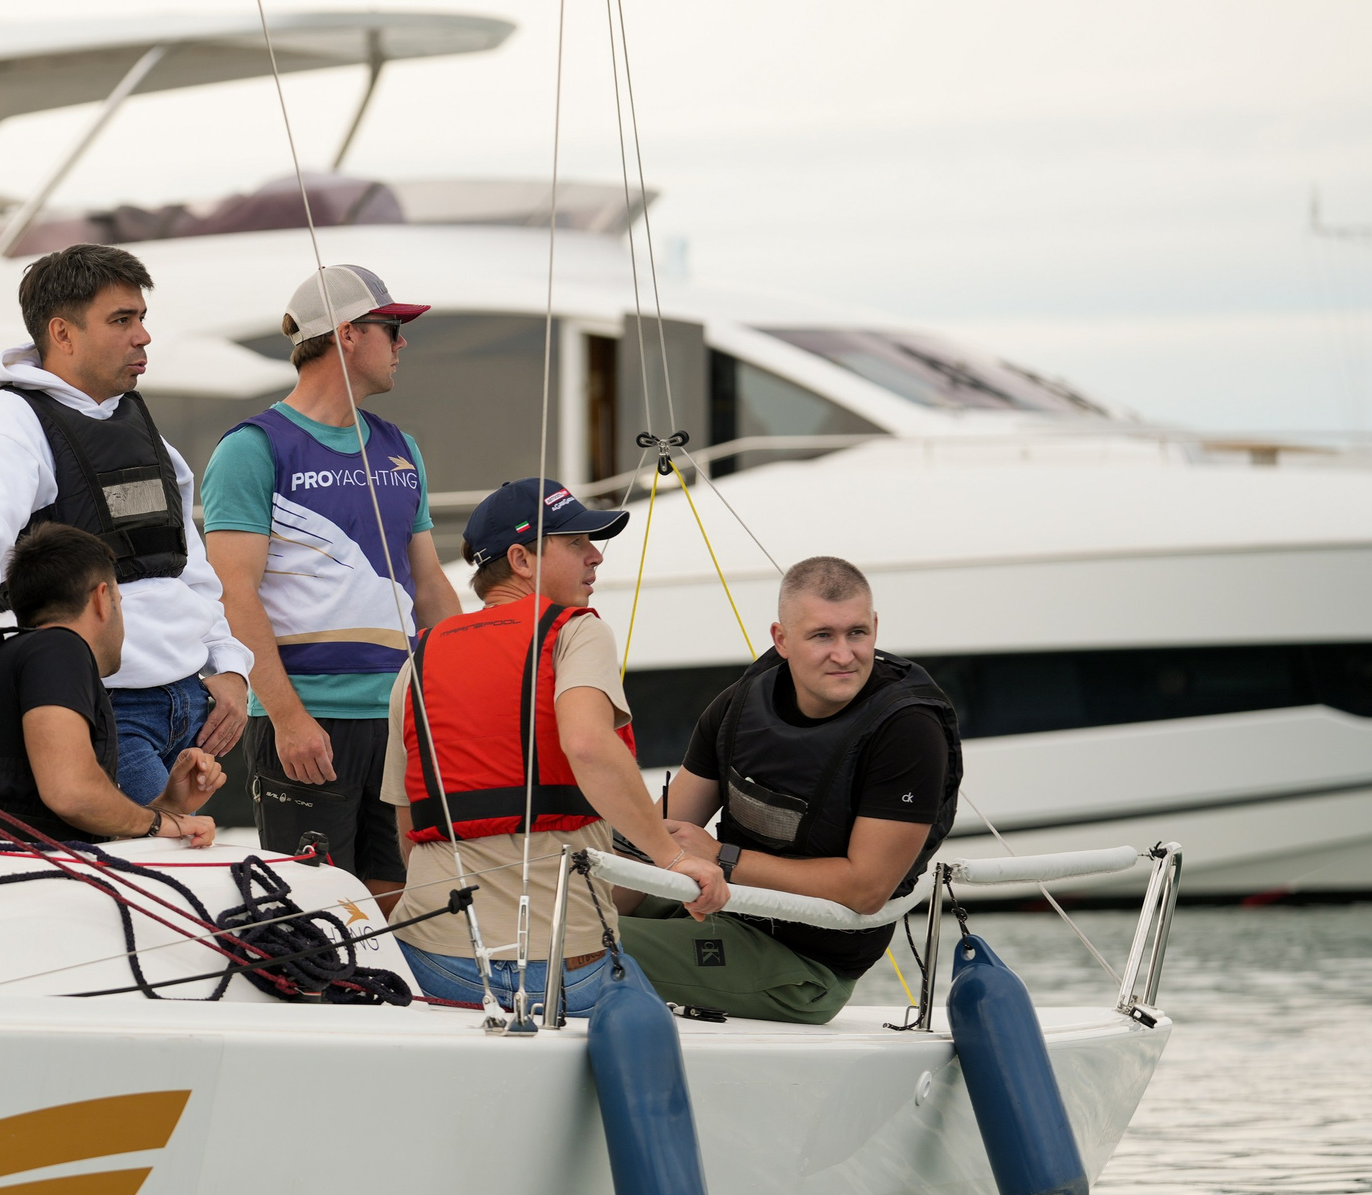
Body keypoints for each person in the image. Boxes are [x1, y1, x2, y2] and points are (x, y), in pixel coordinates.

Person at [382, 478, 730, 1017]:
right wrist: (674, 858)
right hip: (557, 966)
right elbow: (588, 744)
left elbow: (409, 828)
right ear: (521, 559)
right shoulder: (576, 633)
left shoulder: (416, 662)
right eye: (575, 544)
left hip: (429, 958)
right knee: (651, 1025)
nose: (596, 557)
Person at [0, 243, 253, 806]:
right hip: (105, 707)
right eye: (121, 320)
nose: (143, 336)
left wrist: (230, 667)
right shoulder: (10, 417)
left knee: (181, 867)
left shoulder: (134, 421)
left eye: (141, 318)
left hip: (192, 703)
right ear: (62, 334)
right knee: (160, 865)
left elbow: (188, 567)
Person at [204, 264, 464, 900]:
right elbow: (232, 595)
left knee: (398, 908)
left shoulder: (401, 447)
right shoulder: (253, 448)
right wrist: (288, 718)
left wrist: (463, 700)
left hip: (402, 720)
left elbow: (429, 585)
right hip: (308, 721)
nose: (403, 344)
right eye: (392, 328)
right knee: (318, 910)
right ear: (347, 335)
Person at [616, 555, 962, 1025]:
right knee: (567, 930)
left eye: (856, 633)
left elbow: (866, 890)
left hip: (804, 968)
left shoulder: (909, 731)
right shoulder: (737, 707)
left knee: (587, 948)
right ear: (781, 639)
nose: (844, 654)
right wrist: (578, 911)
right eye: (822, 636)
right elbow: (656, 839)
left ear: (876, 628)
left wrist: (722, 857)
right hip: (724, 910)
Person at [0, 523, 223, 848]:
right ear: (102, 598)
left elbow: (34, 811)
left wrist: (167, 807)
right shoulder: (59, 650)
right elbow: (71, 794)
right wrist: (161, 823)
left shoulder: (0, 655)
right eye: (120, 601)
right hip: (17, 881)